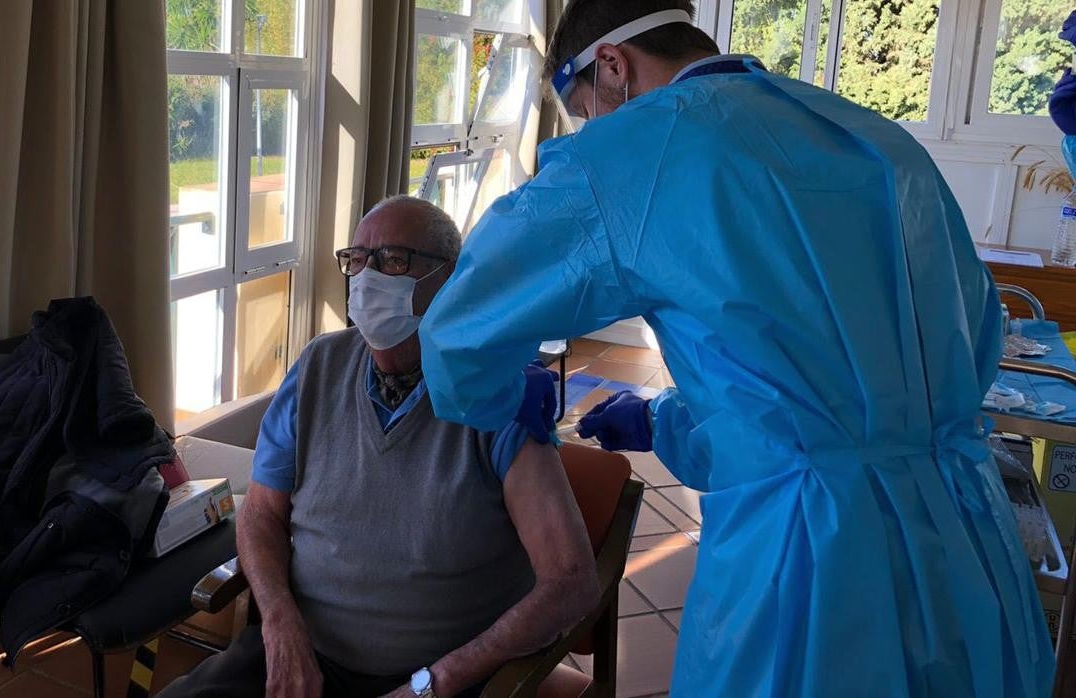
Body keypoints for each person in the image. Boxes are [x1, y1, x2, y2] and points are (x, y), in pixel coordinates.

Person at [417, 0, 1055, 696]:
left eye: (584, 111)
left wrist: (505, 392)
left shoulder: (637, 151)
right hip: (967, 544)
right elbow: (878, 380)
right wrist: (665, 422)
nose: (592, 130)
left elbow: (457, 341)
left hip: (815, 575)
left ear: (611, 66)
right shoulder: (874, 139)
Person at [160, 196, 599, 698]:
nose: (367, 277)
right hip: (304, 654)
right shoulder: (317, 368)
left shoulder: (495, 400)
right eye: (358, 259)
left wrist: (436, 682)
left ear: (449, 278)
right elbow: (260, 513)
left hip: (443, 677)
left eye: (393, 260)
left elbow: (571, 582)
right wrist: (281, 626)